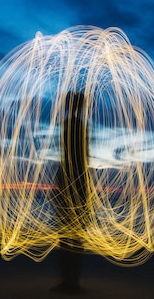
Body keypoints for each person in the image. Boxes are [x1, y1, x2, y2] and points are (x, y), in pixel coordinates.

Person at [52, 91, 91, 293]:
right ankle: (71, 281)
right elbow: (83, 159)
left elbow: (70, 159)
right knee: (74, 237)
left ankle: (69, 281)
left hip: (70, 186)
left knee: (68, 237)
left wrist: (58, 185)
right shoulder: (79, 126)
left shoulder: (71, 125)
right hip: (77, 187)